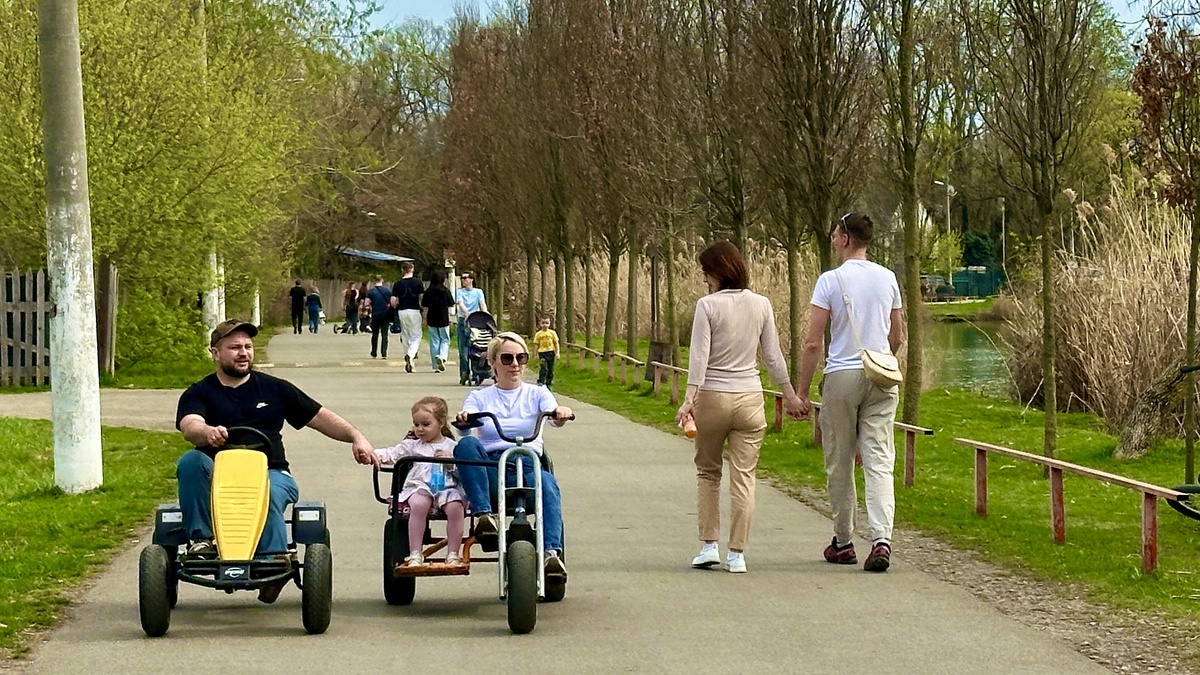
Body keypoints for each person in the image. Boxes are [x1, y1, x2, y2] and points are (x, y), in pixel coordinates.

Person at [175, 319, 377, 602]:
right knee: (190, 462)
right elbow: (189, 424)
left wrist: (357, 436)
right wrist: (207, 432)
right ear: (215, 353)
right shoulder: (199, 392)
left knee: (267, 490)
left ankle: (273, 560)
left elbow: (320, 417)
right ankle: (202, 541)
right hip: (217, 472)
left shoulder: (274, 389)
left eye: (247, 346)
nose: (243, 353)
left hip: (271, 470)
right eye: (234, 347)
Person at [675, 241, 804, 575]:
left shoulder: (707, 306)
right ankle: (737, 554)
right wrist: (789, 395)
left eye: (706, 272)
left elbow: (699, 357)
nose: (705, 279)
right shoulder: (762, 305)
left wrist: (689, 398)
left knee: (708, 472)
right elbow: (773, 356)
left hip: (713, 398)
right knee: (744, 477)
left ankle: (708, 545)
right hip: (750, 397)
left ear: (718, 271)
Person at [796, 212, 903, 573]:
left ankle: (843, 541)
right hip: (881, 375)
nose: (832, 237)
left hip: (842, 373)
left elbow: (813, 342)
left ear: (844, 239)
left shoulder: (830, 281)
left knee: (840, 459)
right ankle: (882, 539)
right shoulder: (888, 278)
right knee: (879, 459)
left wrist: (801, 390)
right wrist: (883, 361)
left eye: (835, 233)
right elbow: (897, 335)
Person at [453, 332, 573, 581]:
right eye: (507, 358)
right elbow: (466, 421)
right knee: (466, 445)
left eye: (521, 358)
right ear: (493, 362)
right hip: (491, 467)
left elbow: (553, 415)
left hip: (528, 464)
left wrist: (560, 412)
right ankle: (484, 515)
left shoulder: (538, 393)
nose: (515, 364)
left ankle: (552, 553)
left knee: (549, 485)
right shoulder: (480, 396)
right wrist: (465, 418)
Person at [373, 396, 467, 566]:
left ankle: (453, 552)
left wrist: (450, 464)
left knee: (456, 507)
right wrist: (372, 454)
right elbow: (392, 454)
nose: (420, 429)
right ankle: (415, 553)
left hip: (447, 488)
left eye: (426, 424)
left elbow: (464, 473)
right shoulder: (413, 446)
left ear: (441, 423)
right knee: (418, 503)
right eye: (416, 425)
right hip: (421, 487)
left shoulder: (453, 447)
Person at [390, 262, 425, 373]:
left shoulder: (397, 284)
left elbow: (393, 302)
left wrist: (395, 306)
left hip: (402, 311)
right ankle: (410, 355)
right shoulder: (418, 283)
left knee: (405, 335)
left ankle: (409, 361)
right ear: (412, 269)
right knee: (416, 336)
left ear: (402, 270)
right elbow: (422, 298)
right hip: (414, 310)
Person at [454, 272, 487, 384]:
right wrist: (467, 313)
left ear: (471, 279)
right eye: (462, 278)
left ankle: (476, 371)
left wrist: (486, 315)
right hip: (464, 321)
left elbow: (482, 304)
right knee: (463, 349)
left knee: (476, 347)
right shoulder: (459, 292)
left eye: (465, 278)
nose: (463, 280)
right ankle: (464, 372)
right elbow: (461, 304)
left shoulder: (478, 292)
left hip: (476, 322)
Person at [422, 270, 455, 372]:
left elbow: (424, 305)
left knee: (434, 340)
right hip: (443, 318)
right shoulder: (445, 291)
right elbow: (451, 303)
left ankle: (435, 364)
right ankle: (442, 356)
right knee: (445, 339)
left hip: (432, 318)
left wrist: (424, 319)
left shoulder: (428, 291)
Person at [366, 275, 393, 359]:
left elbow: (366, 303)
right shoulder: (388, 290)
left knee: (375, 334)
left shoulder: (371, 291)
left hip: (375, 314)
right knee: (385, 334)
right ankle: (384, 352)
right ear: (382, 280)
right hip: (385, 315)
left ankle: (374, 352)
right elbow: (392, 302)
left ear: (374, 281)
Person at [533, 316, 560, 389]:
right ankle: (541, 381)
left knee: (550, 369)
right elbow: (536, 344)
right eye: (543, 323)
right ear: (540, 324)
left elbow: (556, 343)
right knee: (544, 368)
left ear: (549, 324)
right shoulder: (538, 334)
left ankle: (549, 383)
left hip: (551, 352)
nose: (545, 325)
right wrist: (535, 355)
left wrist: (557, 353)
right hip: (542, 353)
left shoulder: (552, 333)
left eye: (547, 323)